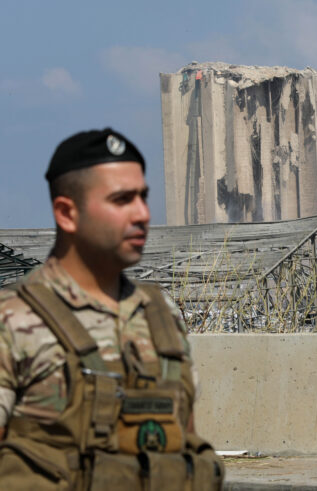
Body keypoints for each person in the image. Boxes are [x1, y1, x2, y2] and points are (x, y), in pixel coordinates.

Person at [0, 129, 223, 490]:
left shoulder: (160, 312)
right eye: (122, 200)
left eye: (143, 197)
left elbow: (183, 438)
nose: (143, 214)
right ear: (67, 213)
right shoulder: (13, 319)